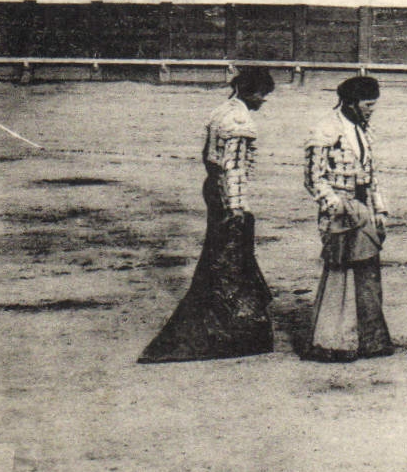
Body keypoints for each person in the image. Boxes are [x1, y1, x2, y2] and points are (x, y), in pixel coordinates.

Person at [139, 68, 276, 363]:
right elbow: (234, 169)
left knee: (219, 255)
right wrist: (238, 209)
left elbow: (209, 157)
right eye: (261, 94)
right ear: (248, 92)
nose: (263, 100)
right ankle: (229, 326)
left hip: (212, 187)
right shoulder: (240, 121)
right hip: (227, 193)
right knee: (230, 258)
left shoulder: (220, 111)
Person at [303, 75, 394, 362]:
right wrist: (337, 206)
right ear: (351, 103)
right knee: (340, 273)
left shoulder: (362, 129)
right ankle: (333, 342)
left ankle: (370, 341)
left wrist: (379, 210)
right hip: (341, 213)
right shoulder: (326, 129)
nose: (372, 109)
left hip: (363, 209)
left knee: (367, 271)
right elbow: (314, 179)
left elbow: (371, 176)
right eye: (368, 104)